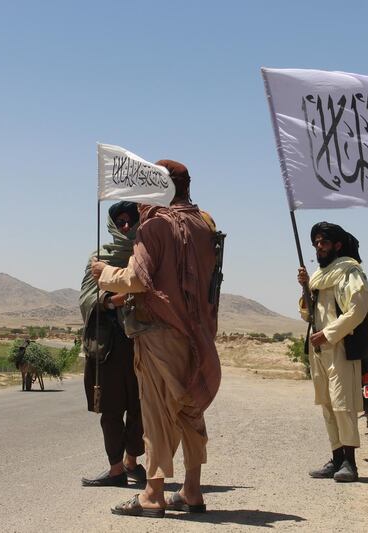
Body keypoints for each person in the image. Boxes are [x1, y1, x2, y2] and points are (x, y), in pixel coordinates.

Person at [90, 160, 220, 518]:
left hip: (161, 333)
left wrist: (105, 273)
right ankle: (192, 491)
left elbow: (138, 280)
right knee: (191, 409)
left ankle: (153, 494)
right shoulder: (203, 223)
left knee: (159, 413)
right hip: (199, 335)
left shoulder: (156, 225)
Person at [296, 222, 368, 483]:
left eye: (323, 242)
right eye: (316, 243)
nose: (319, 248)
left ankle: (350, 464)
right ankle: (335, 459)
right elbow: (309, 313)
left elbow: (358, 309)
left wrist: (329, 333)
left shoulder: (349, 271)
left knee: (343, 405)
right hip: (320, 350)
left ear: (337, 245)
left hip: (342, 347)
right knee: (328, 405)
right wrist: (305, 287)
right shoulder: (320, 276)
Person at [79, 201, 146, 487]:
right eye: (121, 222)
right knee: (111, 408)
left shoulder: (145, 255)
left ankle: (132, 461)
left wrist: (123, 291)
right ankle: (116, 468)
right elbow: (88, 299)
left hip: (143, 341)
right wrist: (119, 298)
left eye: (131, 220)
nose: (126, 226)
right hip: (108, 345)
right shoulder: (99, 257)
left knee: (141, 406)